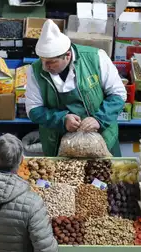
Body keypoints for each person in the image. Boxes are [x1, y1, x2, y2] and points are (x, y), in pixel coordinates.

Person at [25, 19, 127, 157]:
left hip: (101, 138)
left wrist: (99, 119)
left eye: (51, 62)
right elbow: (33, 110)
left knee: (105, 174)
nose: (44, 67)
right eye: (42, 60)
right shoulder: (35, 71)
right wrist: (62, 119)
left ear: (67, 55)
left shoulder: (96, 58)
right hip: (58, 143)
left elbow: (118, 94)